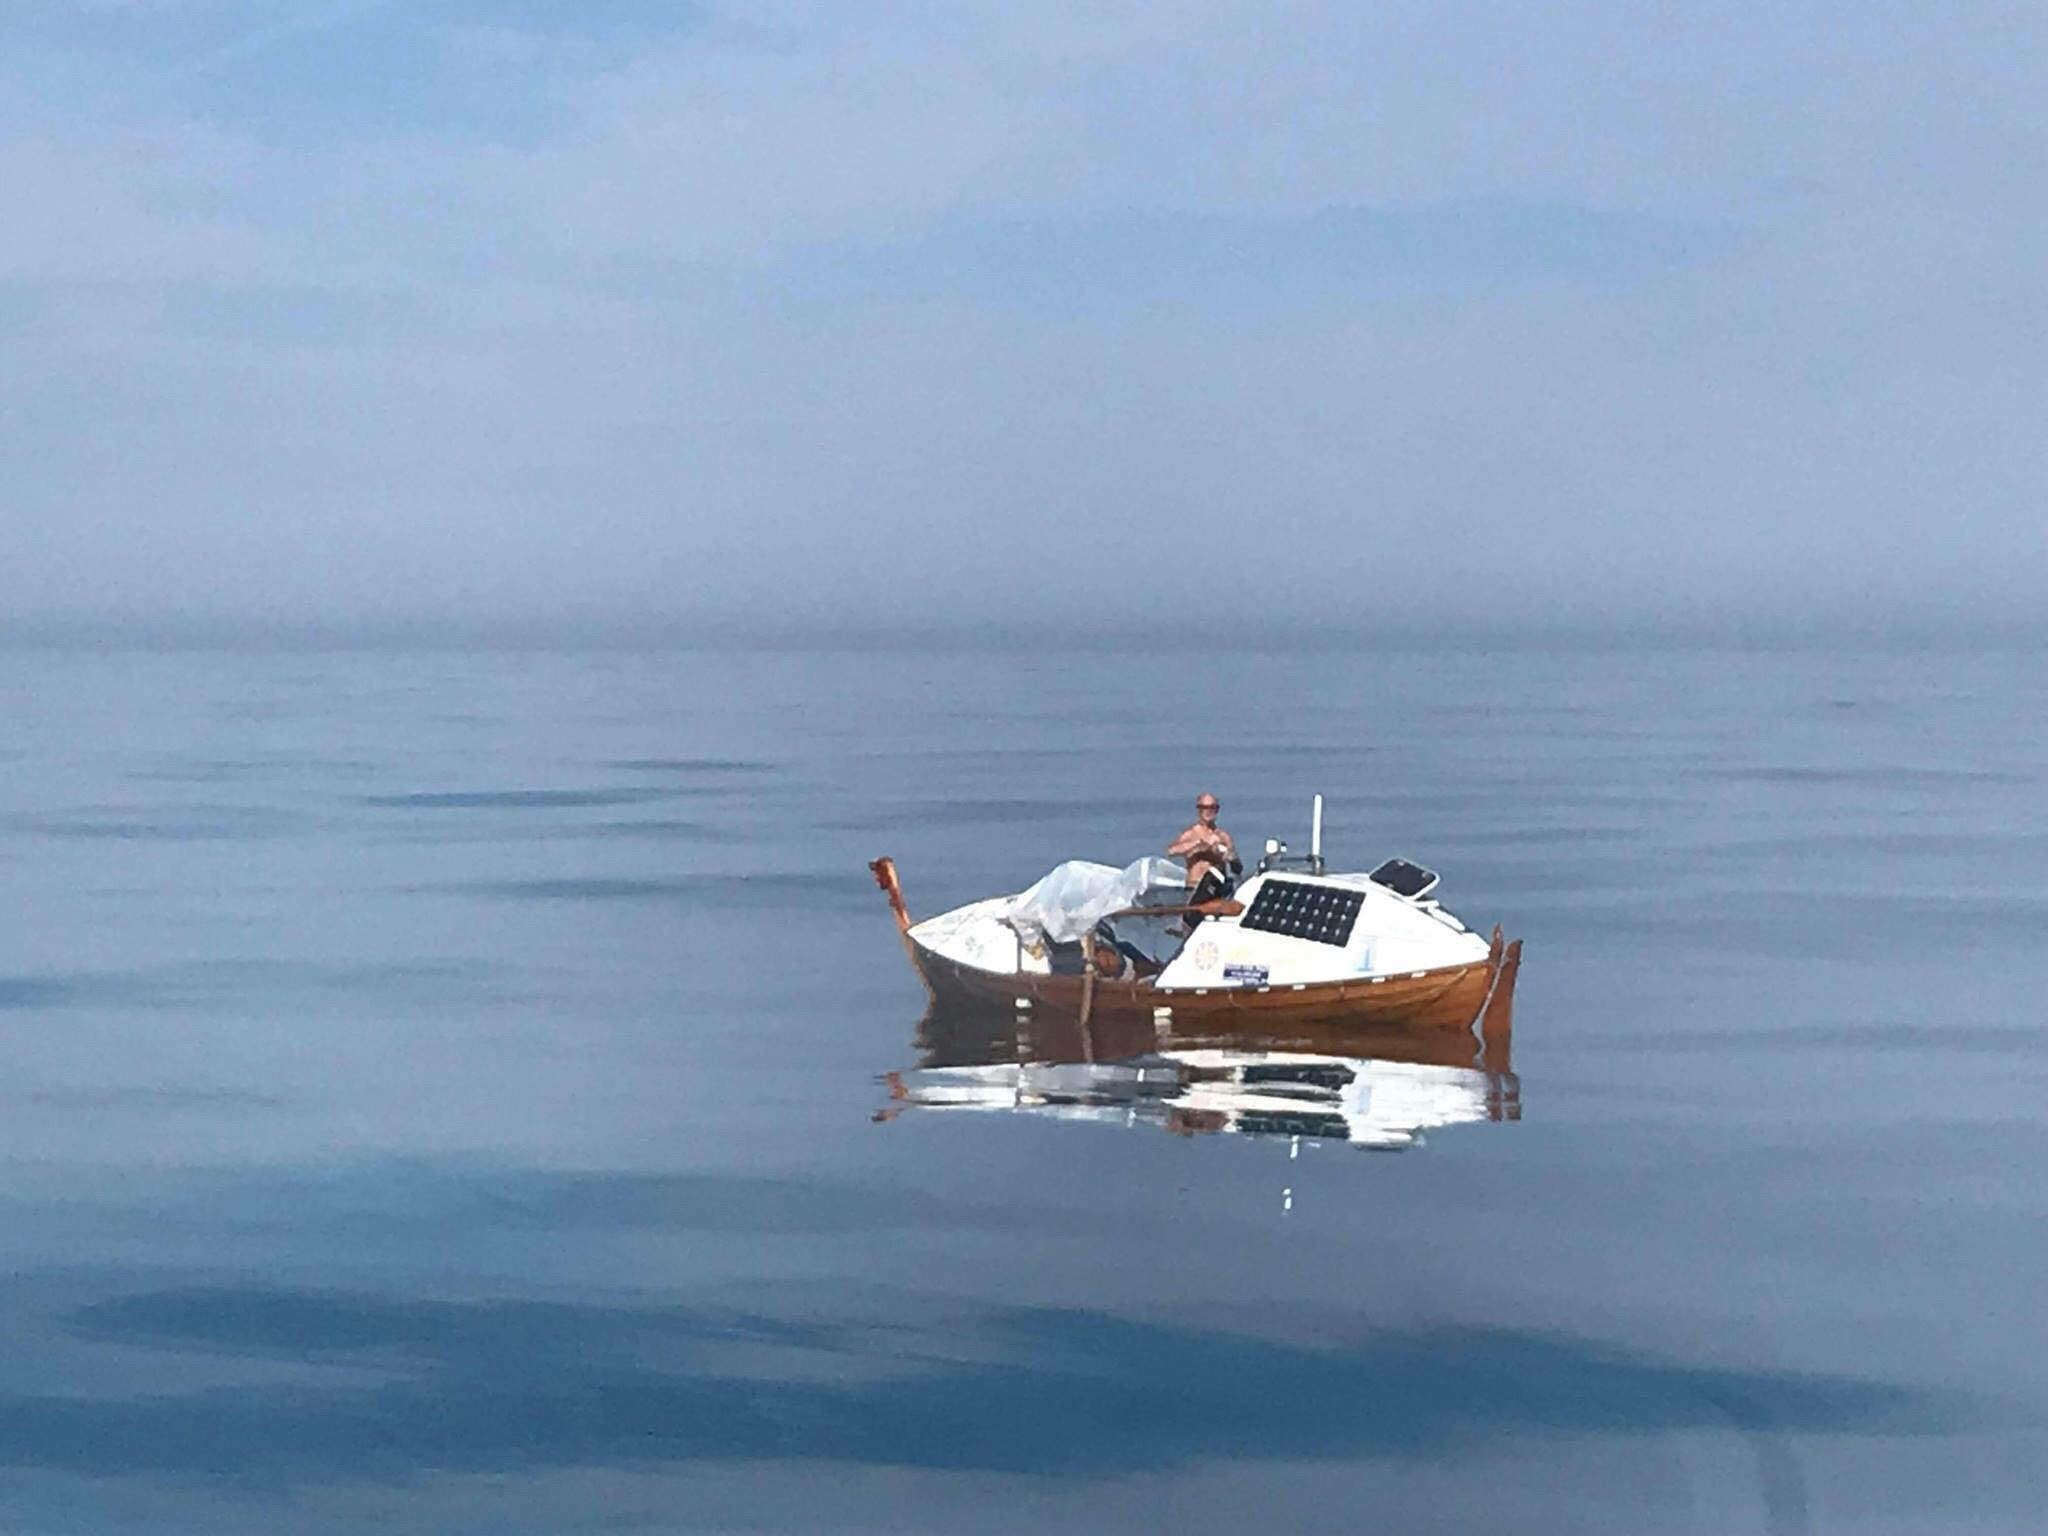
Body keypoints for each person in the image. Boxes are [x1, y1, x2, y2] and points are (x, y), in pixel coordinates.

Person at [1167, 793, 1239, 895]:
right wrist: (1197, 845)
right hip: (1194, 888)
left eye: (1212, 807)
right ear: (1199, 810)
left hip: (1217, 890)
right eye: (1204, 807)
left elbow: (1237, 868)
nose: (1208, 811)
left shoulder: (1223, 837)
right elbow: (1171, 851)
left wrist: (1232, 858)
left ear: (1217, 810)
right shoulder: (1191, 834)